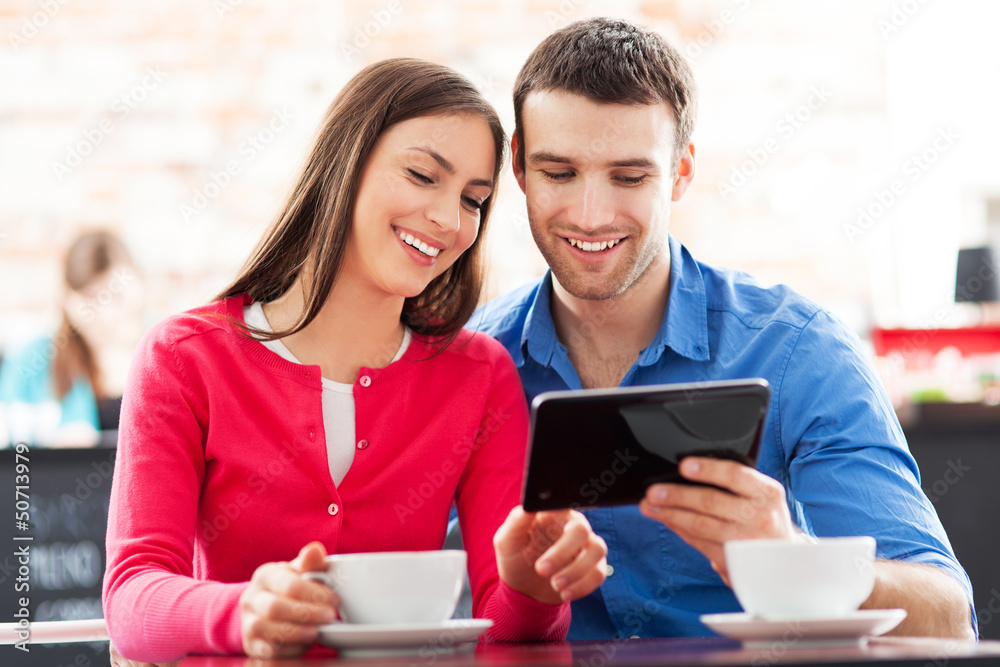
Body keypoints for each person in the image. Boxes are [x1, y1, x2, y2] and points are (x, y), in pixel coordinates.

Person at [472, 18, 976, 640]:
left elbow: (949, 618)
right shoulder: (470, 361)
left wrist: (797, 560)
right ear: (518, 165)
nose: (590, 213)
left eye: (630, 177)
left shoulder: (800, 349)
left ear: (681, 171)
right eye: (559, 173)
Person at [102, 58, 608, 664]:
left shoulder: (479, 375)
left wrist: (532, 588)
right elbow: (132, 594)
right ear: (346, 164)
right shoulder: (184, 360)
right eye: (423, 175)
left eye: (474, 200)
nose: (449, 221)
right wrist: (242, 612)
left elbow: (506, 630)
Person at [0, 230, 143, 447]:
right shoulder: (32, 361)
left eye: (115, 296)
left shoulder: (164, 356)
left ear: (137, 289)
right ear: (67, 297)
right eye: (89, 298)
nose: (105, 315)